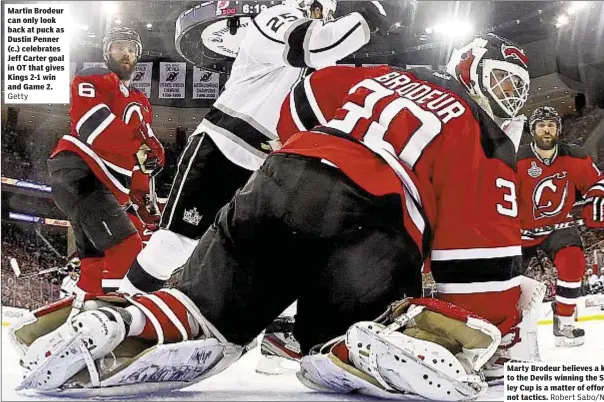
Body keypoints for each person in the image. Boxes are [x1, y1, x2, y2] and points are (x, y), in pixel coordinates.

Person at [14, 34, 541, 399]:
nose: (508, 97)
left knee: (203, 312)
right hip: (375, 218)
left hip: (275, 183)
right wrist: (495, 326)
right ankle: (376, 341)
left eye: (517, 88)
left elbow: (301, 100)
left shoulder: (382, 75)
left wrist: (311, 159)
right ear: (471, 69)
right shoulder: (485, 136)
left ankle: (121, 319)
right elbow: (479, 254)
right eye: (502, 81)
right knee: (349, 332)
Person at [117, 0, 397, 295]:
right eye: (323, 10)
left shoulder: (321, 62)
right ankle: (119, 309)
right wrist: (369, 16)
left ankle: (238, 341)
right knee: (175, 245)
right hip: (222, 147)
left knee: (245, 267)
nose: (325, 17)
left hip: (267, 166)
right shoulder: (274, 18)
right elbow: (320, 44)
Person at [47, 27, 165, 294]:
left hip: (108, 185)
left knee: (95, 263)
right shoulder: (93, 78)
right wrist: (141, 149)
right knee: (127, 249)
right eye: (119, 47)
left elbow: (144, 154)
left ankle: (83, 307)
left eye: (131, 49)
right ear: (106, 52)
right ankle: (116, 320)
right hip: (79, 172)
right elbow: (93, 126)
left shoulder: (140, 101)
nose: (126, 53)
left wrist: (147, 196)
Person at [517, 106, 604, 347]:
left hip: (558, 226)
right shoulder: (517, 157)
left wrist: (595, 198)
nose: (546, 129)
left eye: (551, 125)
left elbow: (595, 181)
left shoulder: (574, 155)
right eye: (541, 125)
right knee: (509, 283)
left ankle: (564, 321)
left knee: (574, 263)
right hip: (520, 232)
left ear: (558, 129)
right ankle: (509, 329)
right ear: (532, 129)